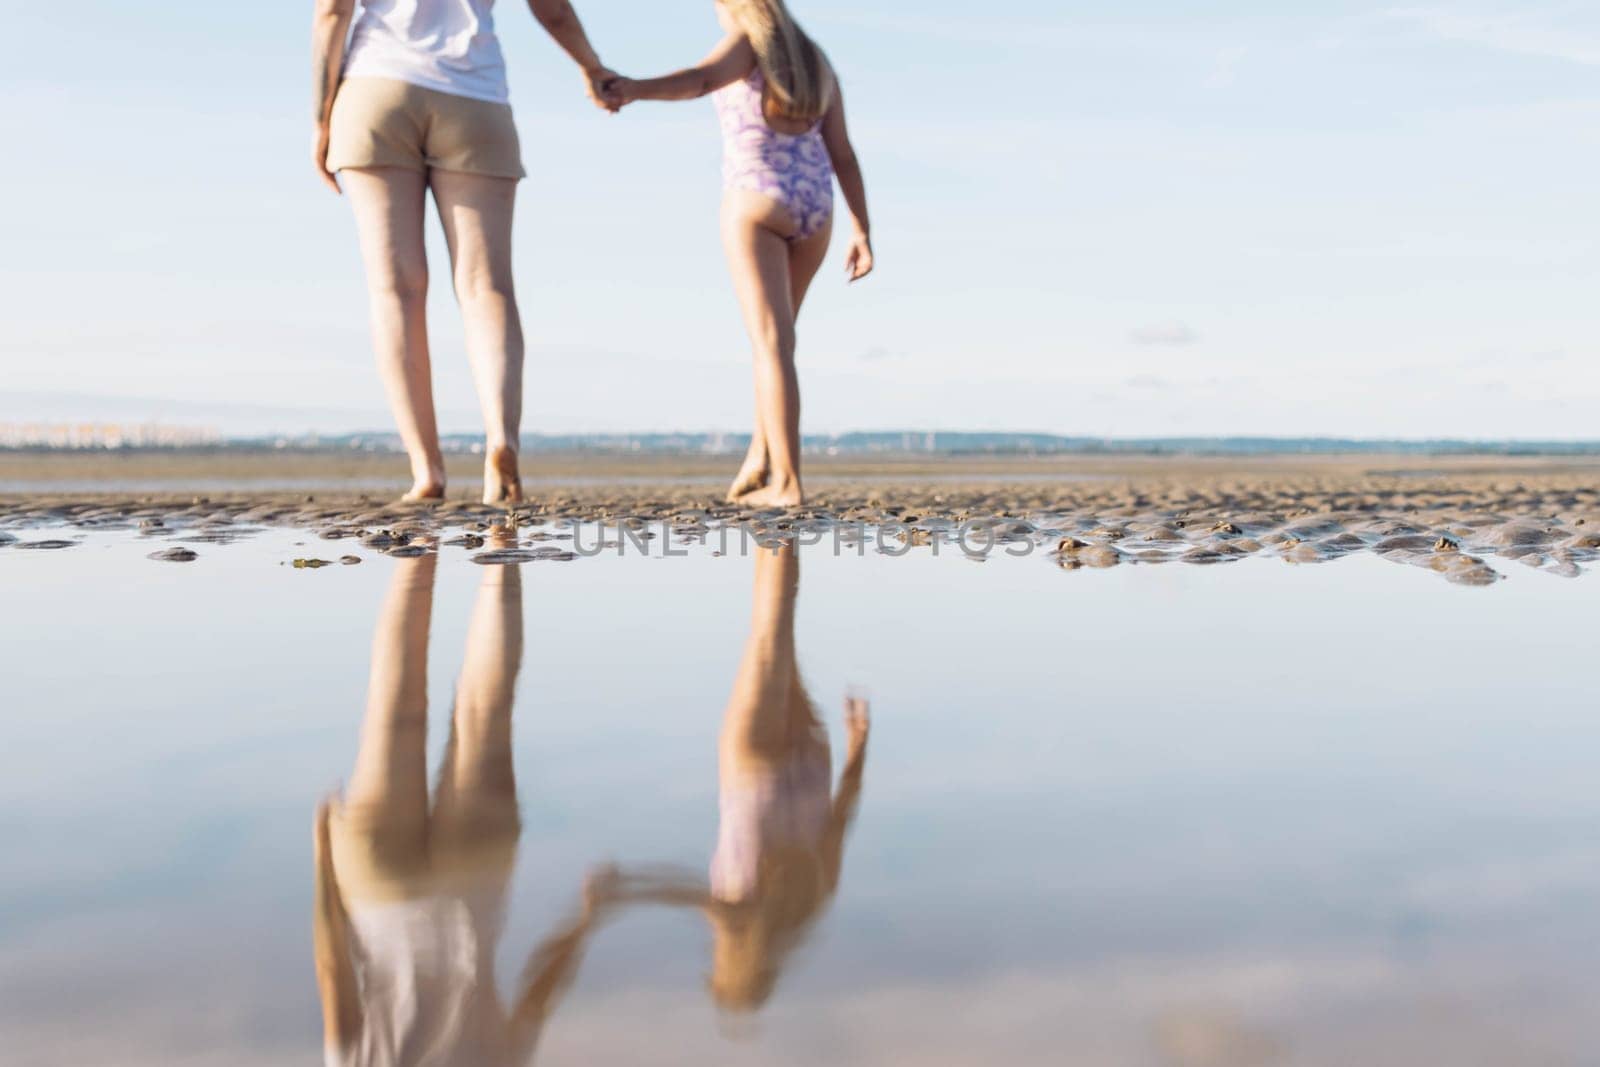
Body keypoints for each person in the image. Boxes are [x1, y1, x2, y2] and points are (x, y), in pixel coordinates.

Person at [311, 0, 617, 504]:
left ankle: (426, 471)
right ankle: (502, 440)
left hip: (375, 89)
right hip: (475, 97)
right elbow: (552, 10)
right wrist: (591, 66)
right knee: (486, 286)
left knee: (397, 290)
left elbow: (331, 14)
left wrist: (322, 119)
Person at [312, 556, 612, 1066]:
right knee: (395, 697)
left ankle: (503, 536)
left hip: (474, 889)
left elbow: (538, 997)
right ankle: (418, 545)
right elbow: (332, 969)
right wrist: (323, 862)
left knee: (485, 707)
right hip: (380, 887)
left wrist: (585, 921)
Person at [604, 0, 875, 507]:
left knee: (771, 345)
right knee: (778, 345)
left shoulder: (747, 44)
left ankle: (788, 484)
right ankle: (761, 455)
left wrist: (634, 88)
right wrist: (861, 227)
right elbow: (844, 152)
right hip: (816, 204)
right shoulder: (816, 58)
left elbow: (700, 79)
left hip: (758, 198)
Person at [588, 544, 871, 1012]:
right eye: (719, 966)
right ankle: (781, 522)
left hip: (810, 764)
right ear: (740, 967)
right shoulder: (741, 923)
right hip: (754, 769)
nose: (715, 956)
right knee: (768, 637)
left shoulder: (813, 903)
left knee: (778, 635)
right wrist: (621, 889)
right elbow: (680, 890)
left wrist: (858, 745)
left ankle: (774, 532)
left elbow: (844, 814)